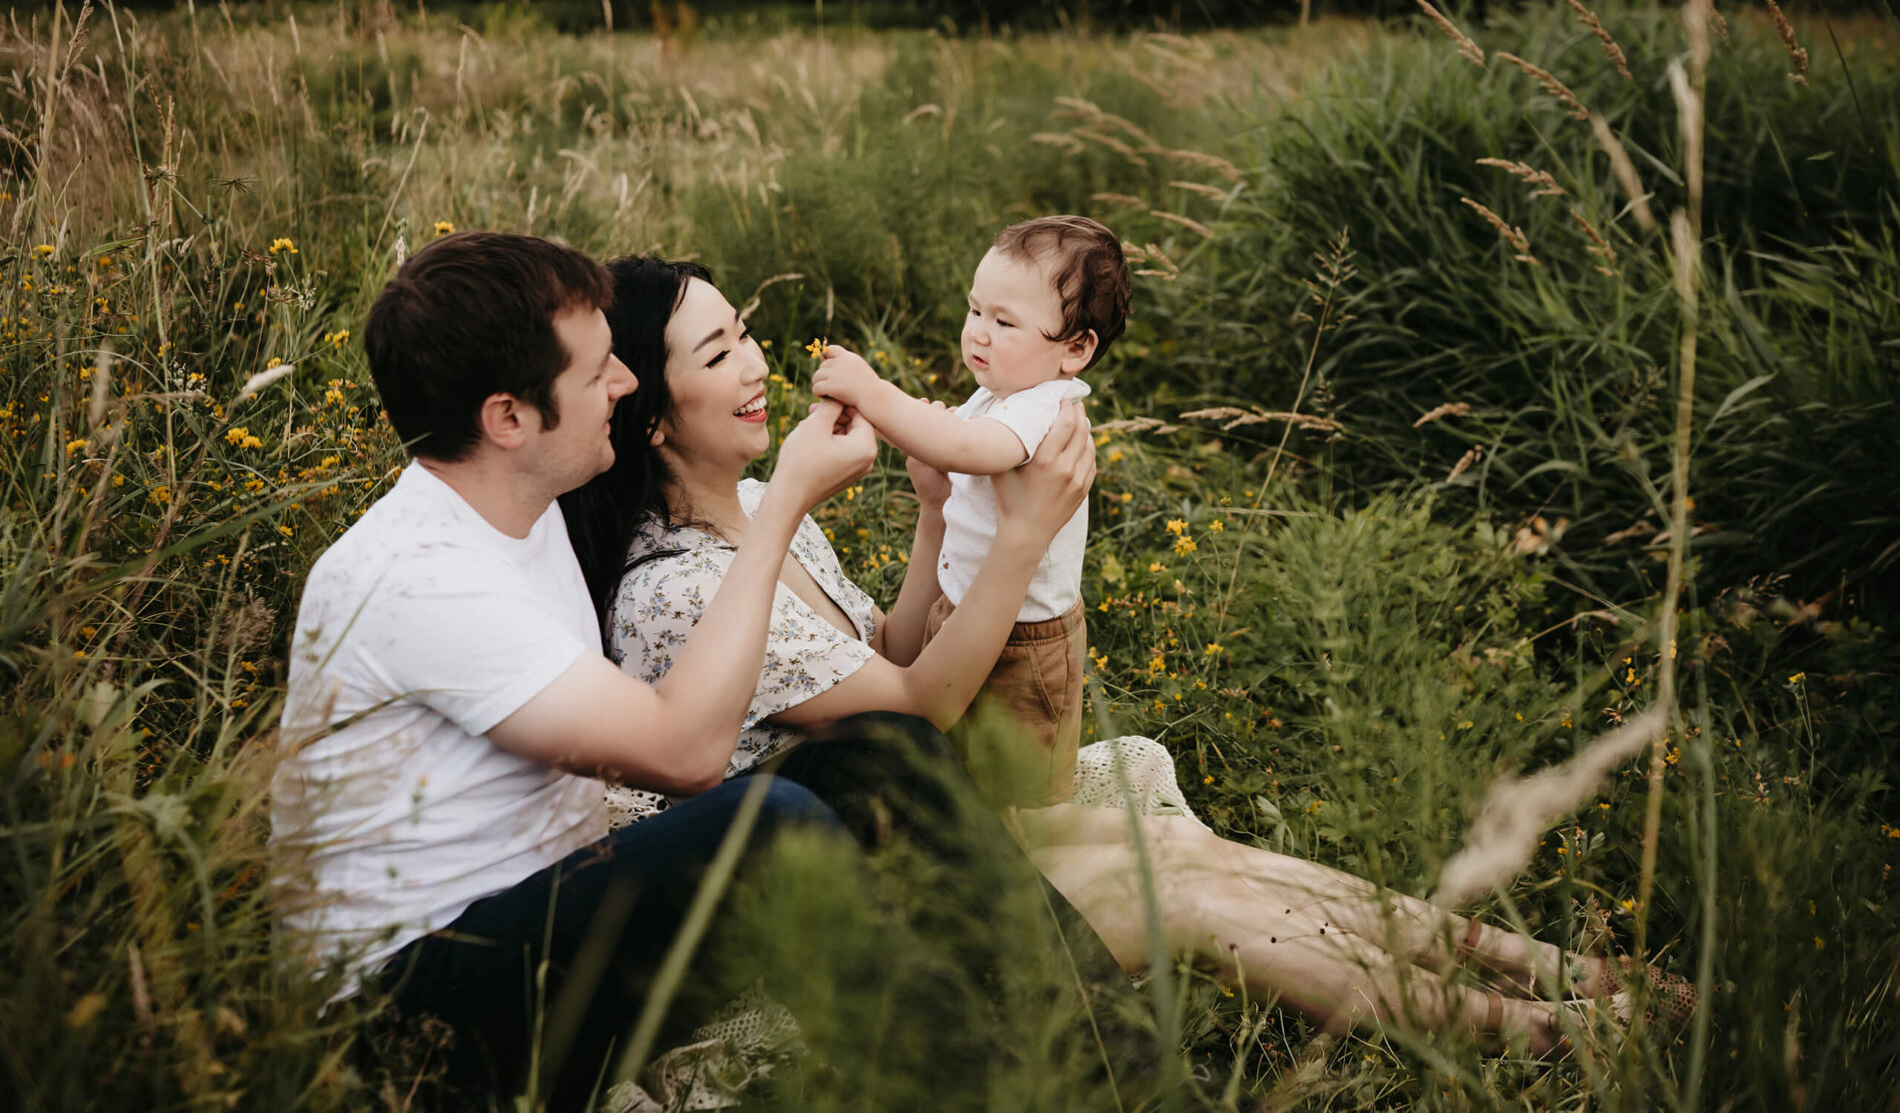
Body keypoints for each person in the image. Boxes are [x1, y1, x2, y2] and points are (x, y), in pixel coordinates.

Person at [570, 253, 1698, 1061]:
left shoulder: (770, 504)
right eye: (718, 351)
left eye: (747, 331)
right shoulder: (676, 591)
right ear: (650, 414)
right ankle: (1545, 1038)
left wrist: (928, 509)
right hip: (853, 899)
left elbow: (893, 650)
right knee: (1183, 905)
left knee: (1172, 844)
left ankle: (1558, 969)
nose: (760, 362)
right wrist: (1016, 538)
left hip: (920, 825)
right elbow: (916, 706)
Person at [269, 231, 922, 1108]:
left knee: (883, 747)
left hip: (543, 922)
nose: (624, 386)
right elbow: (685, 750)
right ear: (508, 419)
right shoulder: (417, 576)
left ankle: (1079, 1030)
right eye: (598, 374)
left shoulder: (522, 502)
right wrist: (786, 503)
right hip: (404, 1025)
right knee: (769, 829)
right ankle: (959, 1083)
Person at [811, 215, 1128, 806]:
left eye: (1004, 322)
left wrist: (874, 393)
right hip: (965, 609)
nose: (978, 333)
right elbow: (950, 440)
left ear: (1076, 348)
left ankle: (1032, 853)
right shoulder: (1001, 393)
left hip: (1024, 643)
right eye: (975, 311)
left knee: (1018, 782)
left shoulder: (1043, 406)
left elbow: (965, 448)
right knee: (960, 761)